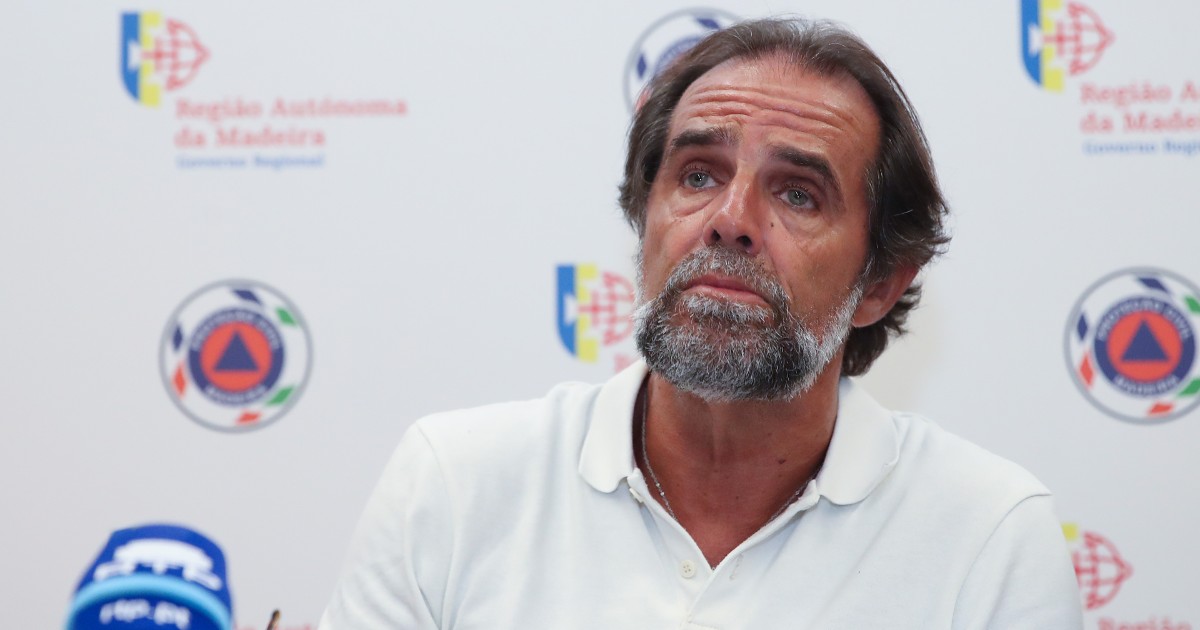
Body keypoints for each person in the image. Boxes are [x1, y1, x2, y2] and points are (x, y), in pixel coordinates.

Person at [320, 18, 1083, 629]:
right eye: (697, 175)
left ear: (880, 283)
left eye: (798, 194)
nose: (730, 218)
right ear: (644, 220)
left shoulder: (988, 535)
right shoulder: (454, 485)